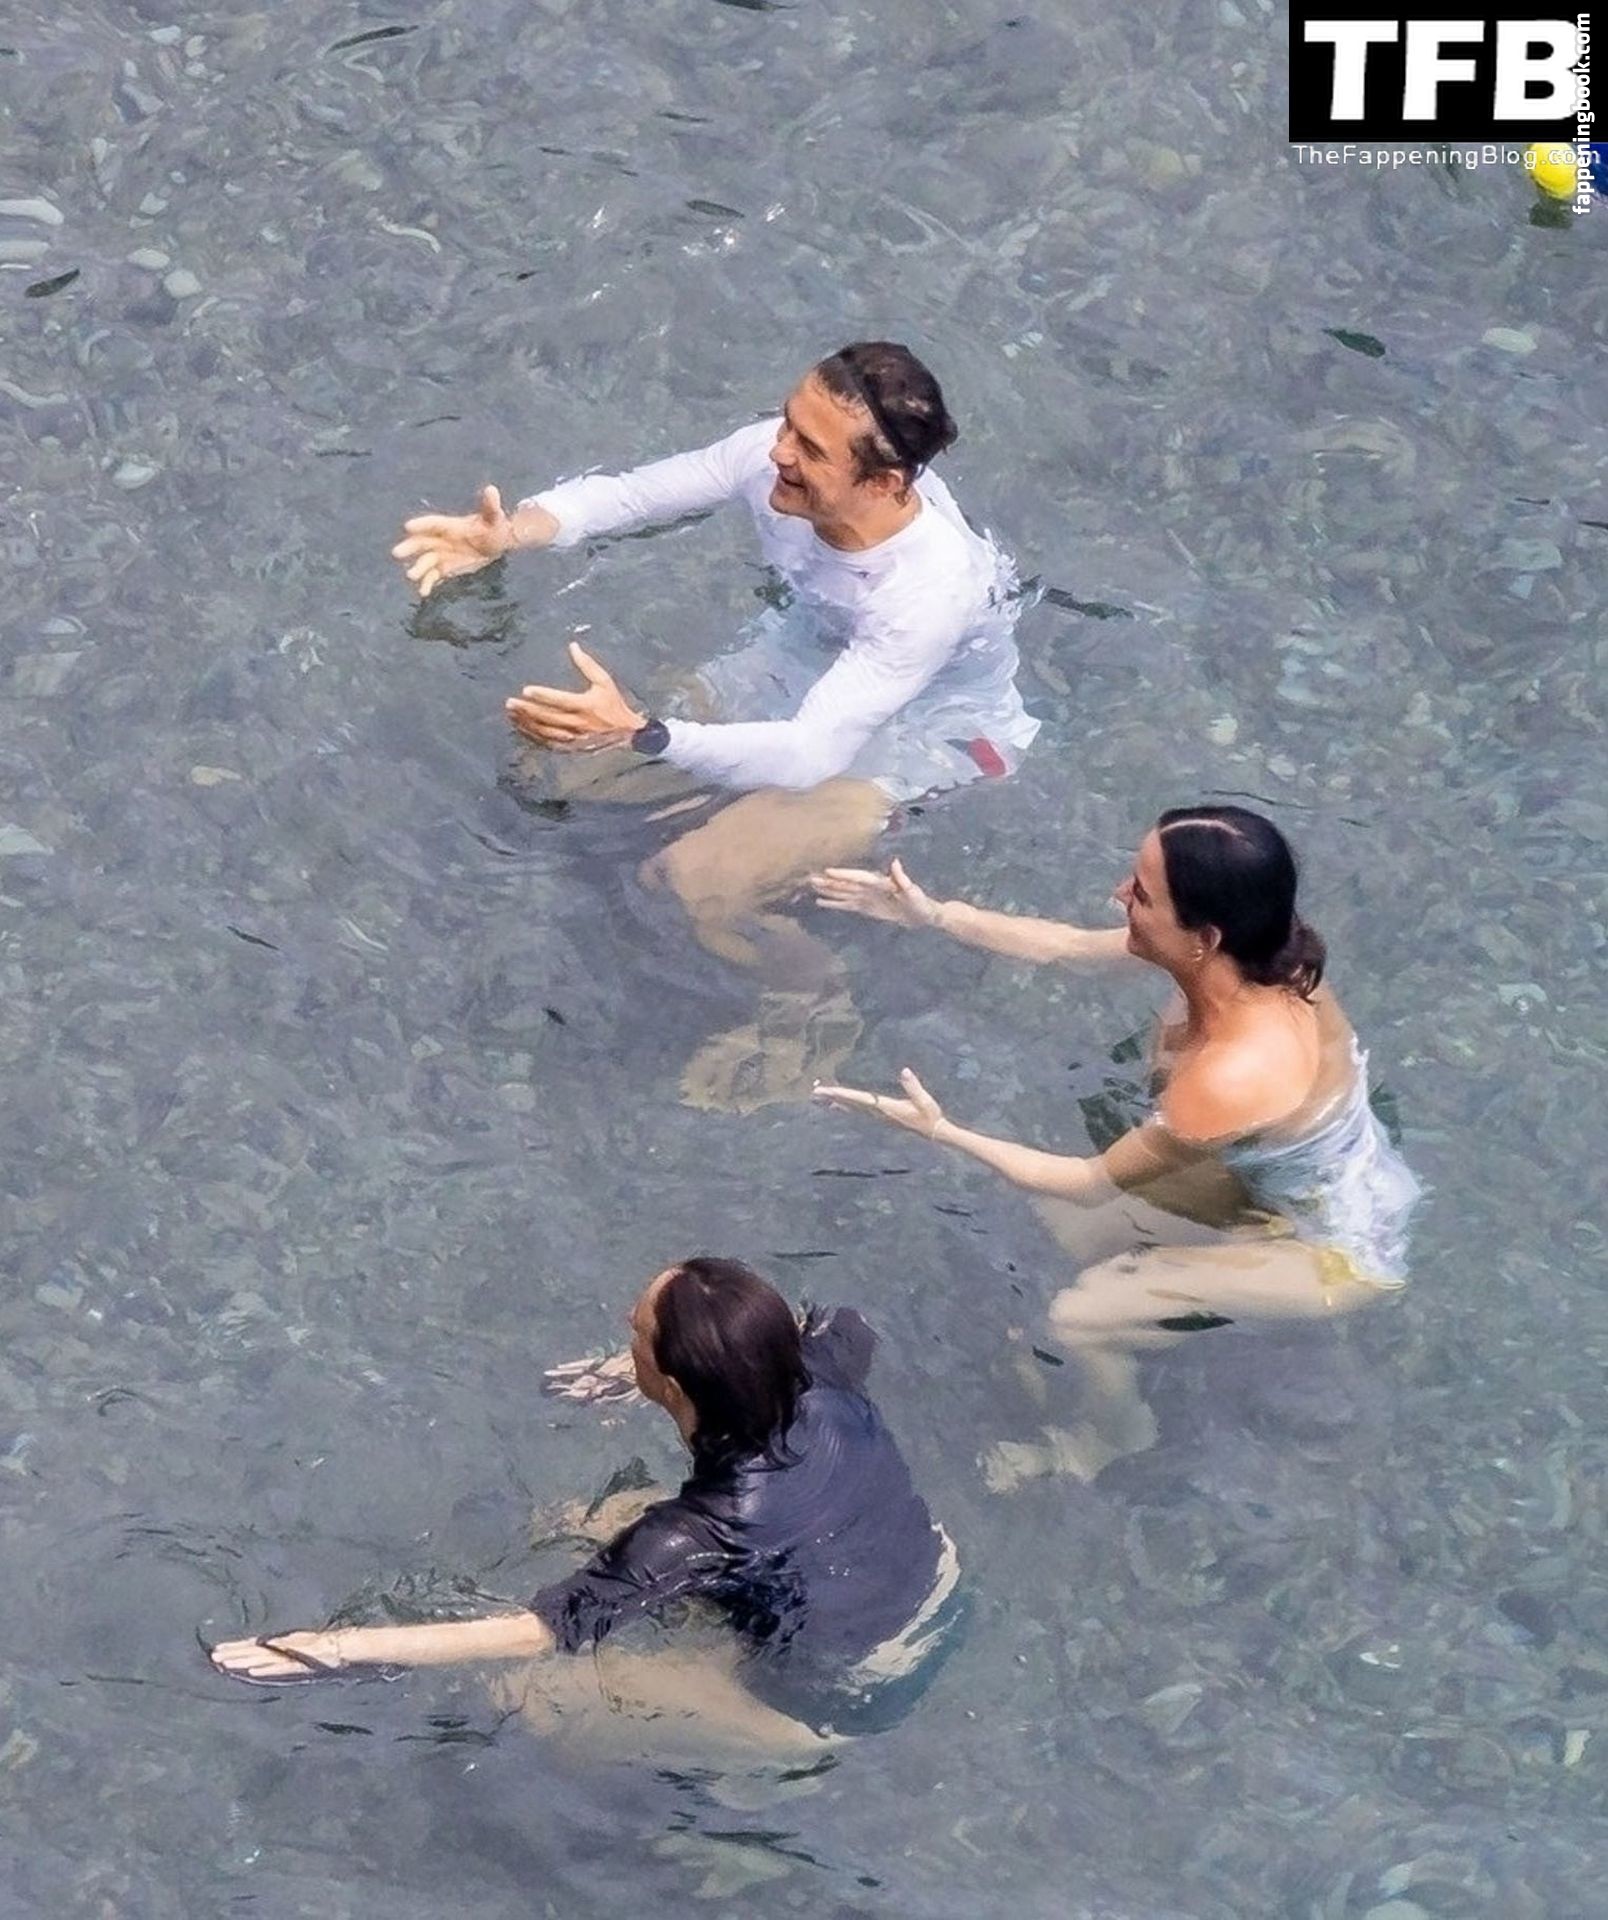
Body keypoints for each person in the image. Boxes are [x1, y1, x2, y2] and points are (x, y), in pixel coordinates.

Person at [390, 343, 1037, 1111]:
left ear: (886, 483)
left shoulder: (927, 593)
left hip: (924, 738)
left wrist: (645, 732)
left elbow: (809, 754)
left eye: (809, 448)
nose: (779, 451)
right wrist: (510, 535)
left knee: (689, 880)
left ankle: (812, 995)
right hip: (788, 672)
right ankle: (720, 824)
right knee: (545, 767)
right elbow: (632, 497)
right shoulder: (774, 461)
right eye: (788, 423)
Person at [810, 805, 1421, 1484]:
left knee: (1080, 1316)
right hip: (1265, 1185)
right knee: (1054, 1231)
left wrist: (941, 1130)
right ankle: (1172, 1312)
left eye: (1142, 893)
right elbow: (1068, 947)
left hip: (1333, 1252)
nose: (1119, 894)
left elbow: (1087, 1182)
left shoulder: (1235, 1072)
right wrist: (934, 914)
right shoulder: (1247, 957)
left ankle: (1111, 1438)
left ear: (1204, 936)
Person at [208, 1258, 960, 1757]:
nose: (625, 1325)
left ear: (673, 1384)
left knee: (526, 1699)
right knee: (588, 1520)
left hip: (851, 1697)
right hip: (937, 1586)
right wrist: (634, 1373)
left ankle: (726, 1819)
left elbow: (540, 1632)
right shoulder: (824, 1373)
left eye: (634, 1335)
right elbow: (847, 1320)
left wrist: (335, 1649)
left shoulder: (698, 1529)